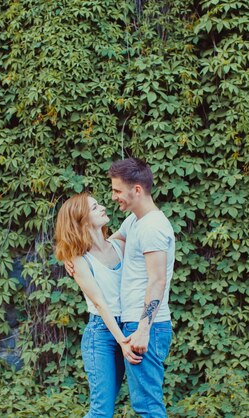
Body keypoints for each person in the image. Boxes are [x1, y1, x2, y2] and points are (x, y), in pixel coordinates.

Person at [66, 158, 176, 417]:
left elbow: (158, 280)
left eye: (116, 190)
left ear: (136, 190)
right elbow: (104, 246)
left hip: (143, 326)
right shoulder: (135, 222)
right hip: (131, 325)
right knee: (139, 406)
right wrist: (72, 259)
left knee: (147, 407)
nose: (112, 197)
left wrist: (143, 329)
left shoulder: (152, 227)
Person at [54, 192, 142, 418]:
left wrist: (125, 337)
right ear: (81, 219)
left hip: (125, 327)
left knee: (106, 406)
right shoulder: (78, 259)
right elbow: (101, 303)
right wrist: (123, 342)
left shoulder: (118, 246)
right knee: (102, 410)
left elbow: (141, 212)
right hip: (101, 334)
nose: (103, 207)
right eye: (94, 207)